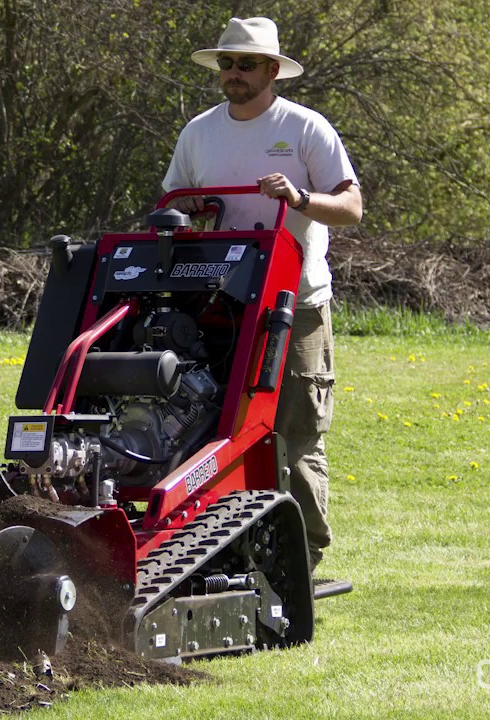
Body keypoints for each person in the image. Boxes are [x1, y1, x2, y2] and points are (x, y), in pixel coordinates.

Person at [163, 16, 362, 571]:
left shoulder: (304, 128)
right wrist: (190, 212)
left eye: (245, 64)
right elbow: (172, 204)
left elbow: (351, 207)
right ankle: (225, 550)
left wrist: (300, 198)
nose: (233, 73)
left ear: (272, 71)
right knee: (212, 428)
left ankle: (304, 560)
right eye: (227, 63)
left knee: (295, 435)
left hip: (293, 305)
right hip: (217, 304)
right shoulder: (198, 132)